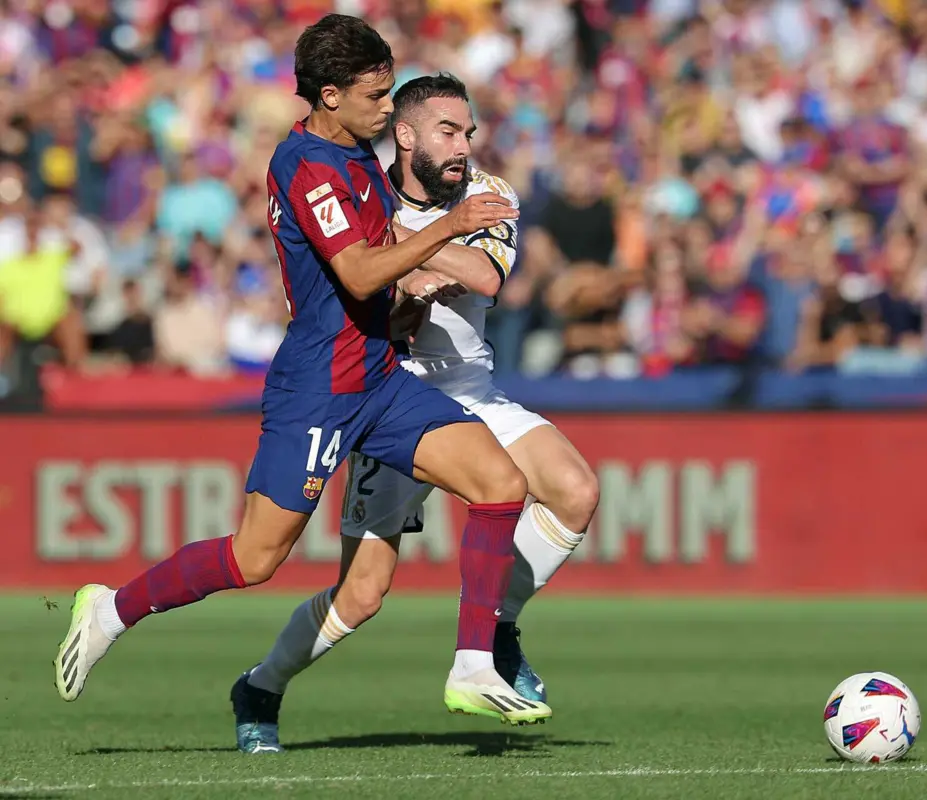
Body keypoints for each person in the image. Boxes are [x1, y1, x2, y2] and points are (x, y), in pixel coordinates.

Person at [52, 15, 552, 731]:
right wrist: (447, 228)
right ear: (328, 94)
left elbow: (380, 276)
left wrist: (413, 295)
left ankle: (474, 664)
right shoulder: (306, 164)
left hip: (380, 377)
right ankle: (112, 608)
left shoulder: (357, 158)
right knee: (257, 558)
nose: (388, 107)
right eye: (376, 96)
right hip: (320, 386)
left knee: (502, 484)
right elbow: (354, 272)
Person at [229, 73, 599, 754]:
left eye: (468, 132)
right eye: (447, 131)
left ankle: (495, 630)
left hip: (471, 391)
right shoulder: (358, 186)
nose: (463, 146)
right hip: (389, 396)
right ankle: (262, 685)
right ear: (405, 134)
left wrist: (408, 252)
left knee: (574, 490)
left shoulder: (490, 194)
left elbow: (486, 276)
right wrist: (414, 275)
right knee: (364, 594)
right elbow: (389, 303)